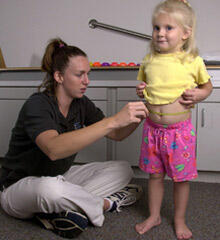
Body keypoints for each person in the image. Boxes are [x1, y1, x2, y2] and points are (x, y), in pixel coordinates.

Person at [0, 38, 148, 239]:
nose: (87, 81)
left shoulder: (81, 103)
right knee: (49, 190)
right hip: (20, 187)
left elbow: (116, 134)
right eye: (80, 75)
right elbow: (53, 149)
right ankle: (106, 204)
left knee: (122, 168)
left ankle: (64, 208)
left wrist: (139, 112)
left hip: (60, 176)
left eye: (88, 74)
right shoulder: (38, 104)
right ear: (59, 76)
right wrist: (112, 120)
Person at [135, 0, 213, 239]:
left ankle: (179, 220)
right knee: (155, 176)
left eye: (169, 28)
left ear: (185, 33)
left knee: (181, 180)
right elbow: (144, 84)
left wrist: (200, 94)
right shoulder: (149, 59)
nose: (160, 33)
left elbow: (207, 86)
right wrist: (141, 90)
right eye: (156, 27)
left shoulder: (192, 61)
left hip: (180, 133)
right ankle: (154, 215)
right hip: (152, 130)